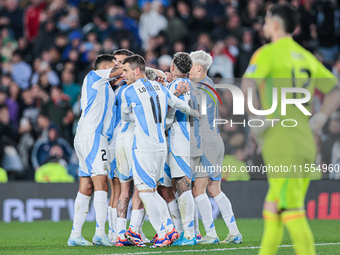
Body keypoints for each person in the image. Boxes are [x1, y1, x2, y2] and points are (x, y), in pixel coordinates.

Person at [241, 4, 340, 255]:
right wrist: (319, 118)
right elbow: (335, 91)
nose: (263, 26)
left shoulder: (267, 53)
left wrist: (255, 118)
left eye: (266, 21)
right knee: (273, 206)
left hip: (281, 140)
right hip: (305, 139)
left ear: (275, 24)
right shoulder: (306, 56)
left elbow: (247, 84)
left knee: (291, 209)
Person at [120, 54, 200, 248]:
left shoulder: (128, 91)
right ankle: (169, 229)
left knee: (146, 193)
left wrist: (137, 117)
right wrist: (196, 113)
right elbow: (179, 104)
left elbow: (125, 117)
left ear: (136, 71)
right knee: (154, 191)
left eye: (125, 70)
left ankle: (164, 231)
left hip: (144, 147)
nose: (123, 74)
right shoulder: (160, 88)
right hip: (161, 147)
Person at [67, 54, 123, 246]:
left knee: (87, 186)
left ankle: (75, 234)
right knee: (102, 184)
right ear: (105, 67)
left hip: (86, 136)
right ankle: (100, 233)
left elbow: (119, 78)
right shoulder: (95, 75)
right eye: (115, 65)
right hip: (94, 137)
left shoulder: (105, 86)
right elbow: (123, 71)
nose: (118, 67)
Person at [190, 50, 242, 244]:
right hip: (216, 141)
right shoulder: (210, 84)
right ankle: (234, 231)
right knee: (214, 189)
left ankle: (211, 234)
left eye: (190, 67)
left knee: (199, 189)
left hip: (205, 142)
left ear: (198, 67)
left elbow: (195, 114)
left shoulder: (199, 89)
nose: (187, 71)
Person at [164, 52, 201, 246]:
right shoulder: (195, 87)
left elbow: (166, 117)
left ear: (172, 67)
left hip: (180, 141)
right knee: (186, 186)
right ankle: (193, 232)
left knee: (183, 186)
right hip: (195, 141)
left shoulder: (172, 87)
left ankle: (189, 235)